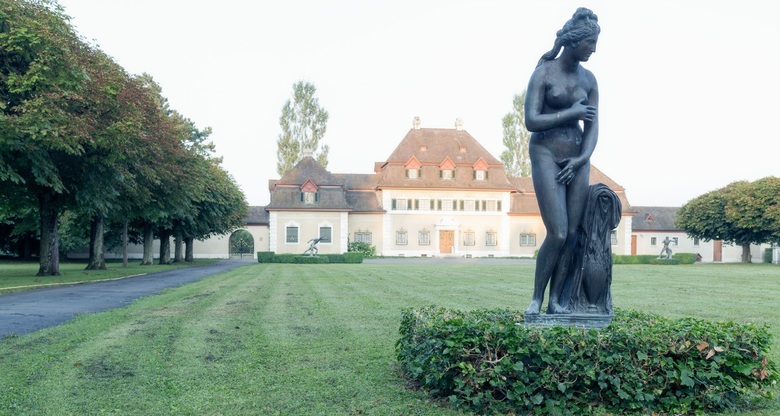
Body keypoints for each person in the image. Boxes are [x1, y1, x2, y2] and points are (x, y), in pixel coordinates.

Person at [524, 8, 600, 315]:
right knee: (557, 231)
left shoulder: (590, 80)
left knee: (571, 234)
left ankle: (556, 301)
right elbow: (531, 121)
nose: (594, 49)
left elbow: (593, 127)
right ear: (575, 41)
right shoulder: (543, 73)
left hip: (576, 158)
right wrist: (571, 113)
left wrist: (581, 159)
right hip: (545, 153)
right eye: (590, 43)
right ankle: (536, 299)